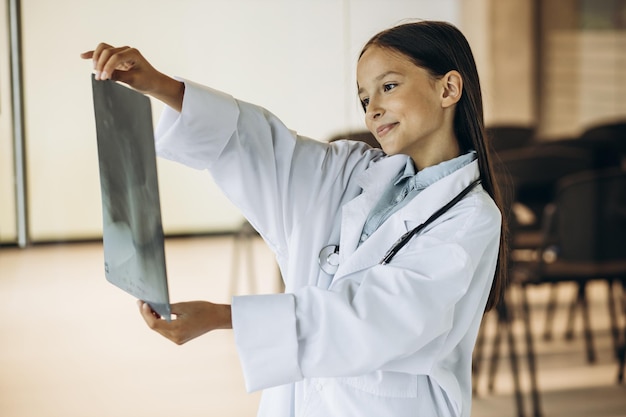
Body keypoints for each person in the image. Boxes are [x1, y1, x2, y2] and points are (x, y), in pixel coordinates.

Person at [82, 20, 508, 417]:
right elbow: (264, 149)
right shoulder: (355, 169)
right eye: (364, 98)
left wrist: (223, 317)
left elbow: (376, 318)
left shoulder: (472, 219)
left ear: (448, 88)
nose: (372, 110)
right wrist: (159, 85)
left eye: (388, 87)